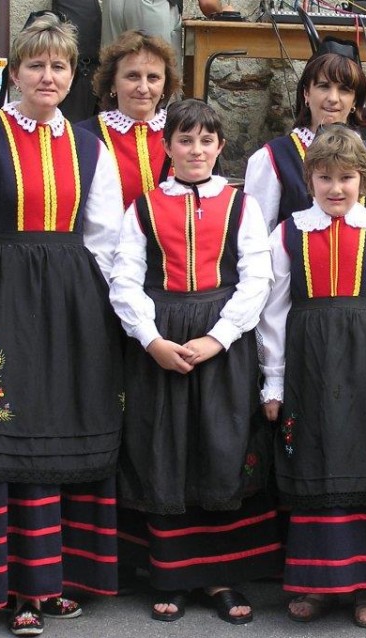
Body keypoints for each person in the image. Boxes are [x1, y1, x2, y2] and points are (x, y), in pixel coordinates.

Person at [0, 13, 125, 636]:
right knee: (5, 442)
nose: (48, 75)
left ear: (73, 75)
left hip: (73, 312)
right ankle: (14, 587)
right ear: (15, 73)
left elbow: (107, 240)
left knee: (69, 430)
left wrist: (99, 309)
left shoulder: (91, 147)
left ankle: (61, 579)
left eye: (60, 66)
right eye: (36, 65)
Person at [109, 99, 282, 626]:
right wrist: (151, 339)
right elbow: (124, 279)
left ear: (220, 146)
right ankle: (170, 574)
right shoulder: (142, 208)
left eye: (206, 141)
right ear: (167, 147)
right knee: (165, 451)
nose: (196, 150)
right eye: (185, 140)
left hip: (220, 347)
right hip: (160, 343)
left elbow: (257, 279)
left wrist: (219, 337)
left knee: (220, 448)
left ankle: (221, 576)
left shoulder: (241, 206)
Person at [257, 126, 366, 627]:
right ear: (309, 180)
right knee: (313, 460)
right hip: (309, 367)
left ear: (364, 181)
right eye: (325, 177)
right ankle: (316, 583)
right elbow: (272, 312)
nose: (335, 188)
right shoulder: (287, 233)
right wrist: (274, 381)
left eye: (346, 178)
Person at [243, 47, 366, 232]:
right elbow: (256, 240)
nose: (333, 98)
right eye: (324, 86)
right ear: (306, 94)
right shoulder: (272, 159)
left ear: (355, 101)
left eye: (344, 89)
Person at [78, 29, 180, 210]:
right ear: (112, 83)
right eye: (132, 76)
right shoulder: (84, 137)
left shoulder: (183, 132)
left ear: (165, 84)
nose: (143, 87)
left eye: (153, 77)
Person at [101, 0, 233, 78]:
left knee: (114, 77)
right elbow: (208, 4)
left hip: (112, 5)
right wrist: (223, 10)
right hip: (151, 6)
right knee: (160, 77)